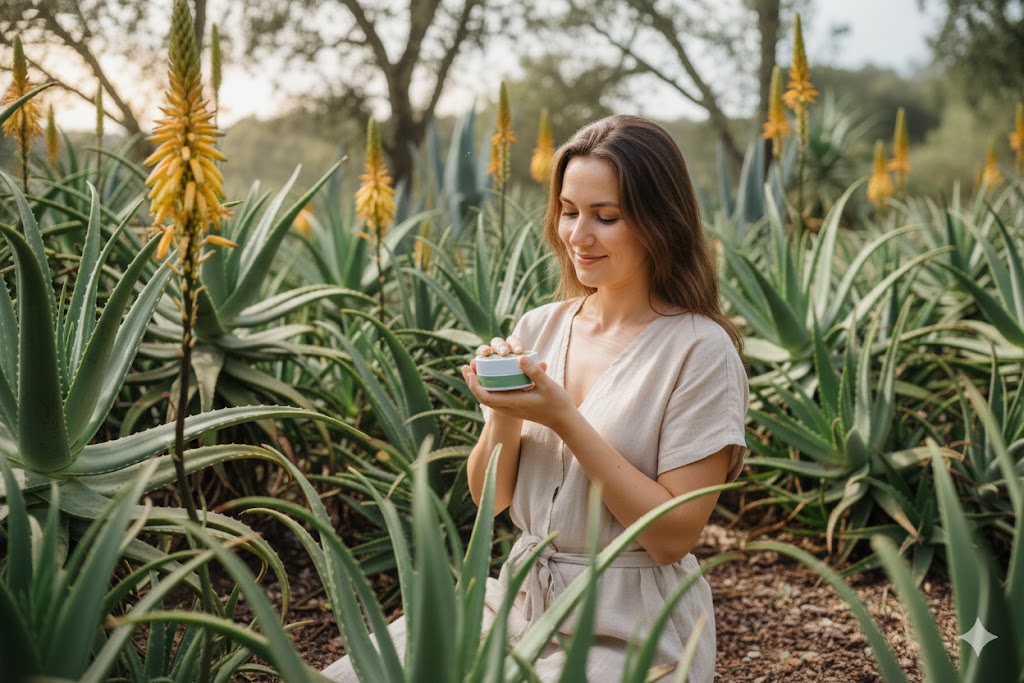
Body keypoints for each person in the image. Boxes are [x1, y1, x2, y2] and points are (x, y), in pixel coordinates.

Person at [323, 114, 748, 682]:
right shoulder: (540, 326)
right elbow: (490, 499)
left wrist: (564, 420)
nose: (578, 235)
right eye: (569, 211)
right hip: (518, 600)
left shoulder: (700, 350)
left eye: (607, 217)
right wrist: (502, 414)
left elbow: (673, 538)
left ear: (660, 223)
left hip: (632, 622)